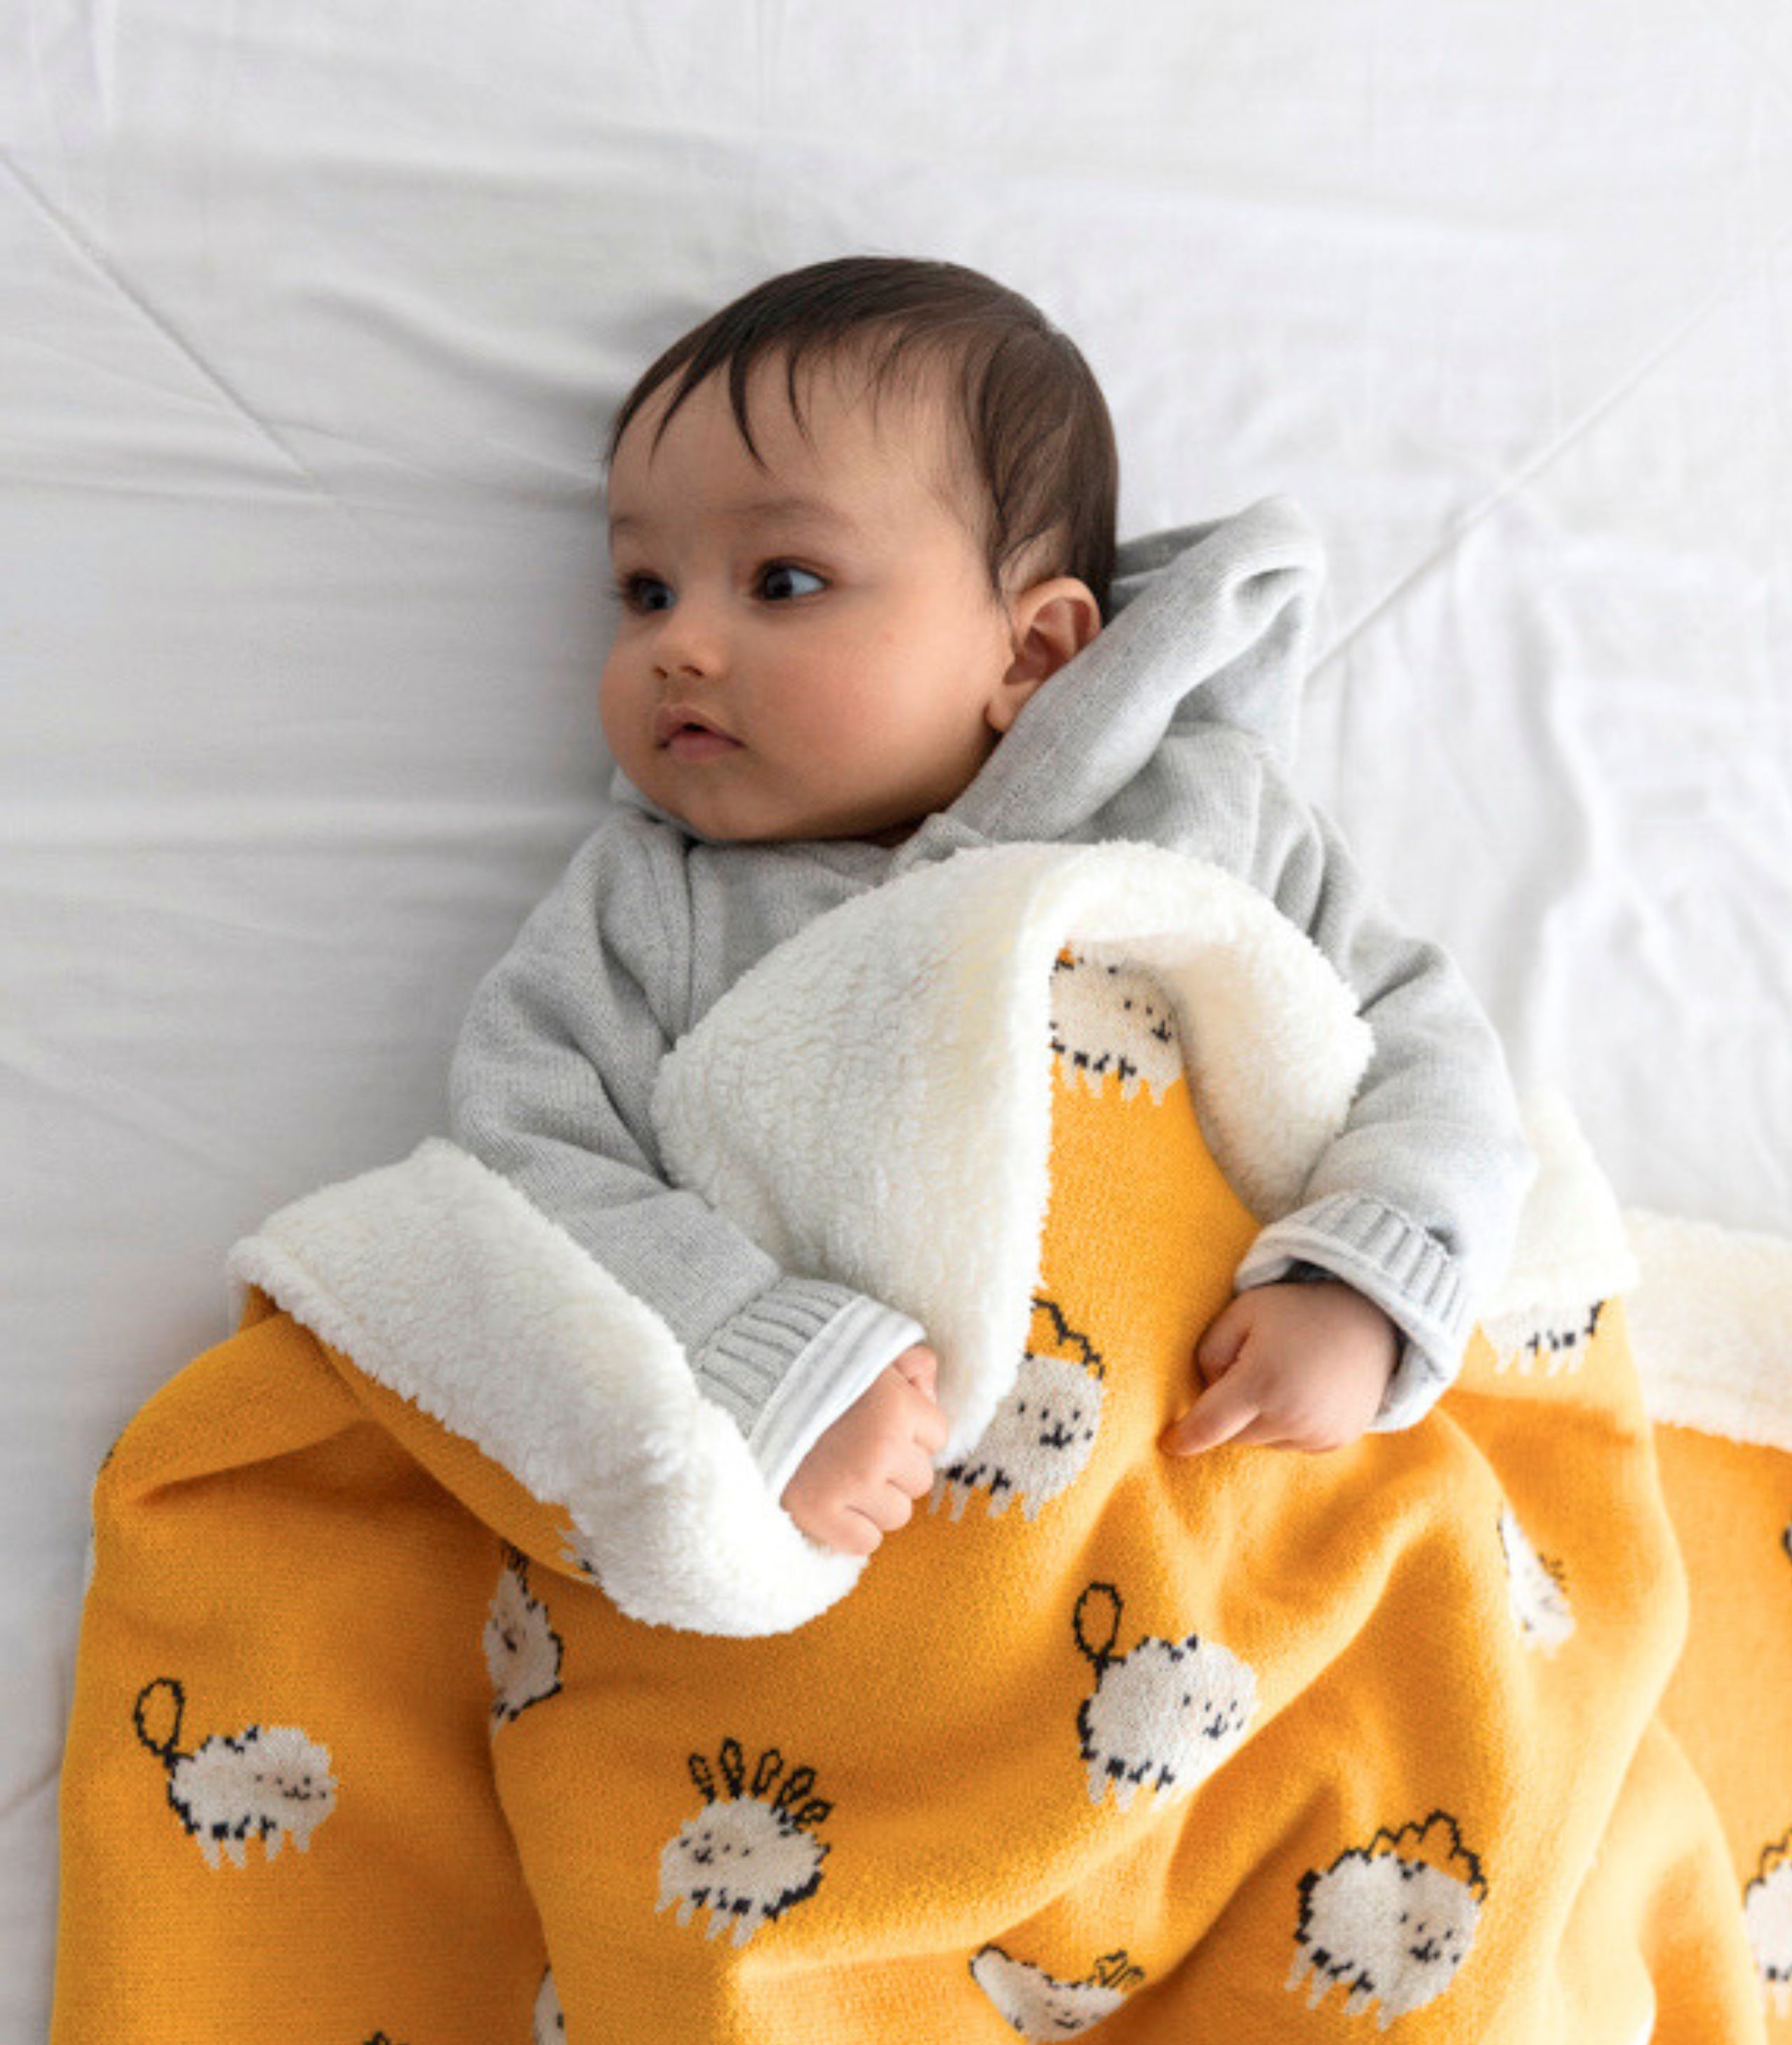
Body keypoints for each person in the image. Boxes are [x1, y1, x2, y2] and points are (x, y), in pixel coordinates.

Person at [449, 255, 1532, 1562]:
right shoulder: (654, 903)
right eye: (646, 590)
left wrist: (1360, 1281)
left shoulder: (1204, 812)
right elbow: (526, 1151)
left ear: (1029, 651)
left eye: (782, 581)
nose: (678, 644)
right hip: (869, 1518)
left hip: (1204, 1466)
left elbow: (1424, 1045)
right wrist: (753, 1351)